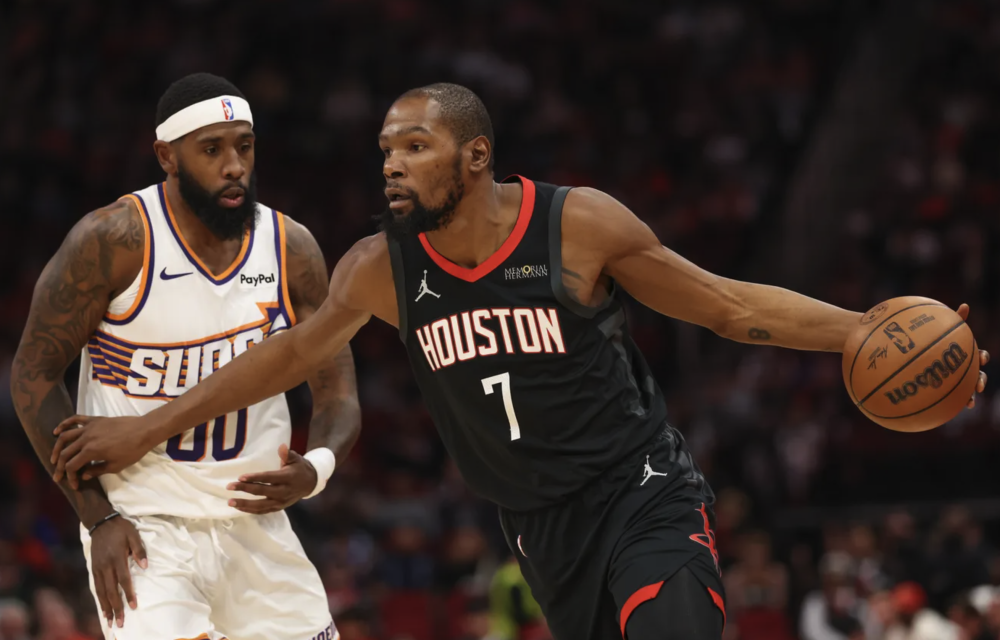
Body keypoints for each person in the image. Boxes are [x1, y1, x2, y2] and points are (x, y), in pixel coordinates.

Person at [47, 83, 989, 640]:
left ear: (475, 157)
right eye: (385, 150)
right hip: (540, 527)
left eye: (415, 147)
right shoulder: (381, 268)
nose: (391, 165)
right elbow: (284, 357)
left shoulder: (578, 226)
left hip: (640, 489)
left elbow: (730, 308)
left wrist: (862, 330)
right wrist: (144, 429)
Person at [10, 73, 360, 639]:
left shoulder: (290, 248)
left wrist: (317, 468)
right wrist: (98, 516)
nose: (235, 166)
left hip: (257, 525)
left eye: (245, 146)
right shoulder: (113, 240)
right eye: (212, 150)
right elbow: (33, 375)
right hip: (145, 526)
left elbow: (337, 389)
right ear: (166, 156)